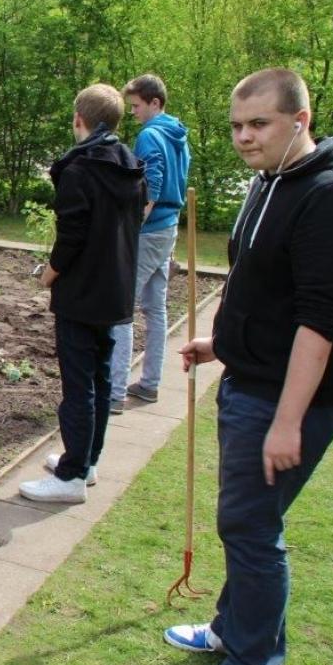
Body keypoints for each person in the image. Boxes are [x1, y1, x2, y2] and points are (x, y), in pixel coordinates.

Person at [168, 69, 333, 665]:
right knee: (245, 520)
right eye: (236, 126)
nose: (244, 137)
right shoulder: (269, 181)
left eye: (259, 124)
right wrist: (222, 345)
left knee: (251, 525)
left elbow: (321, 322)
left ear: (300, 121)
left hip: (295, 396)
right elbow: (257, 281)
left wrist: (289, 420)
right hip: (254, 377)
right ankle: (233, 629)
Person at [18, 84, 145, 504]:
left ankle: (71, 478)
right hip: (114, 289)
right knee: (101, 376)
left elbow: (71, 236)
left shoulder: (79, 169)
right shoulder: (129, 164)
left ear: (79, 119)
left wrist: (49, 274)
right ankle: (86, 461)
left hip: (83, 291)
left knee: (79, 385)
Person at [109, 74, 191, 414]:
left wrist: (132, 225)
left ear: (155, 103)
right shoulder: (178, 135)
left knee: (121, 308)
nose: (133, 113)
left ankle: (113, 393)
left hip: (150, 231)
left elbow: (152, 184)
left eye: (137, 106)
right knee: (155, 308)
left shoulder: (150, 136)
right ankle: (150, 383)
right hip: (170, 228)